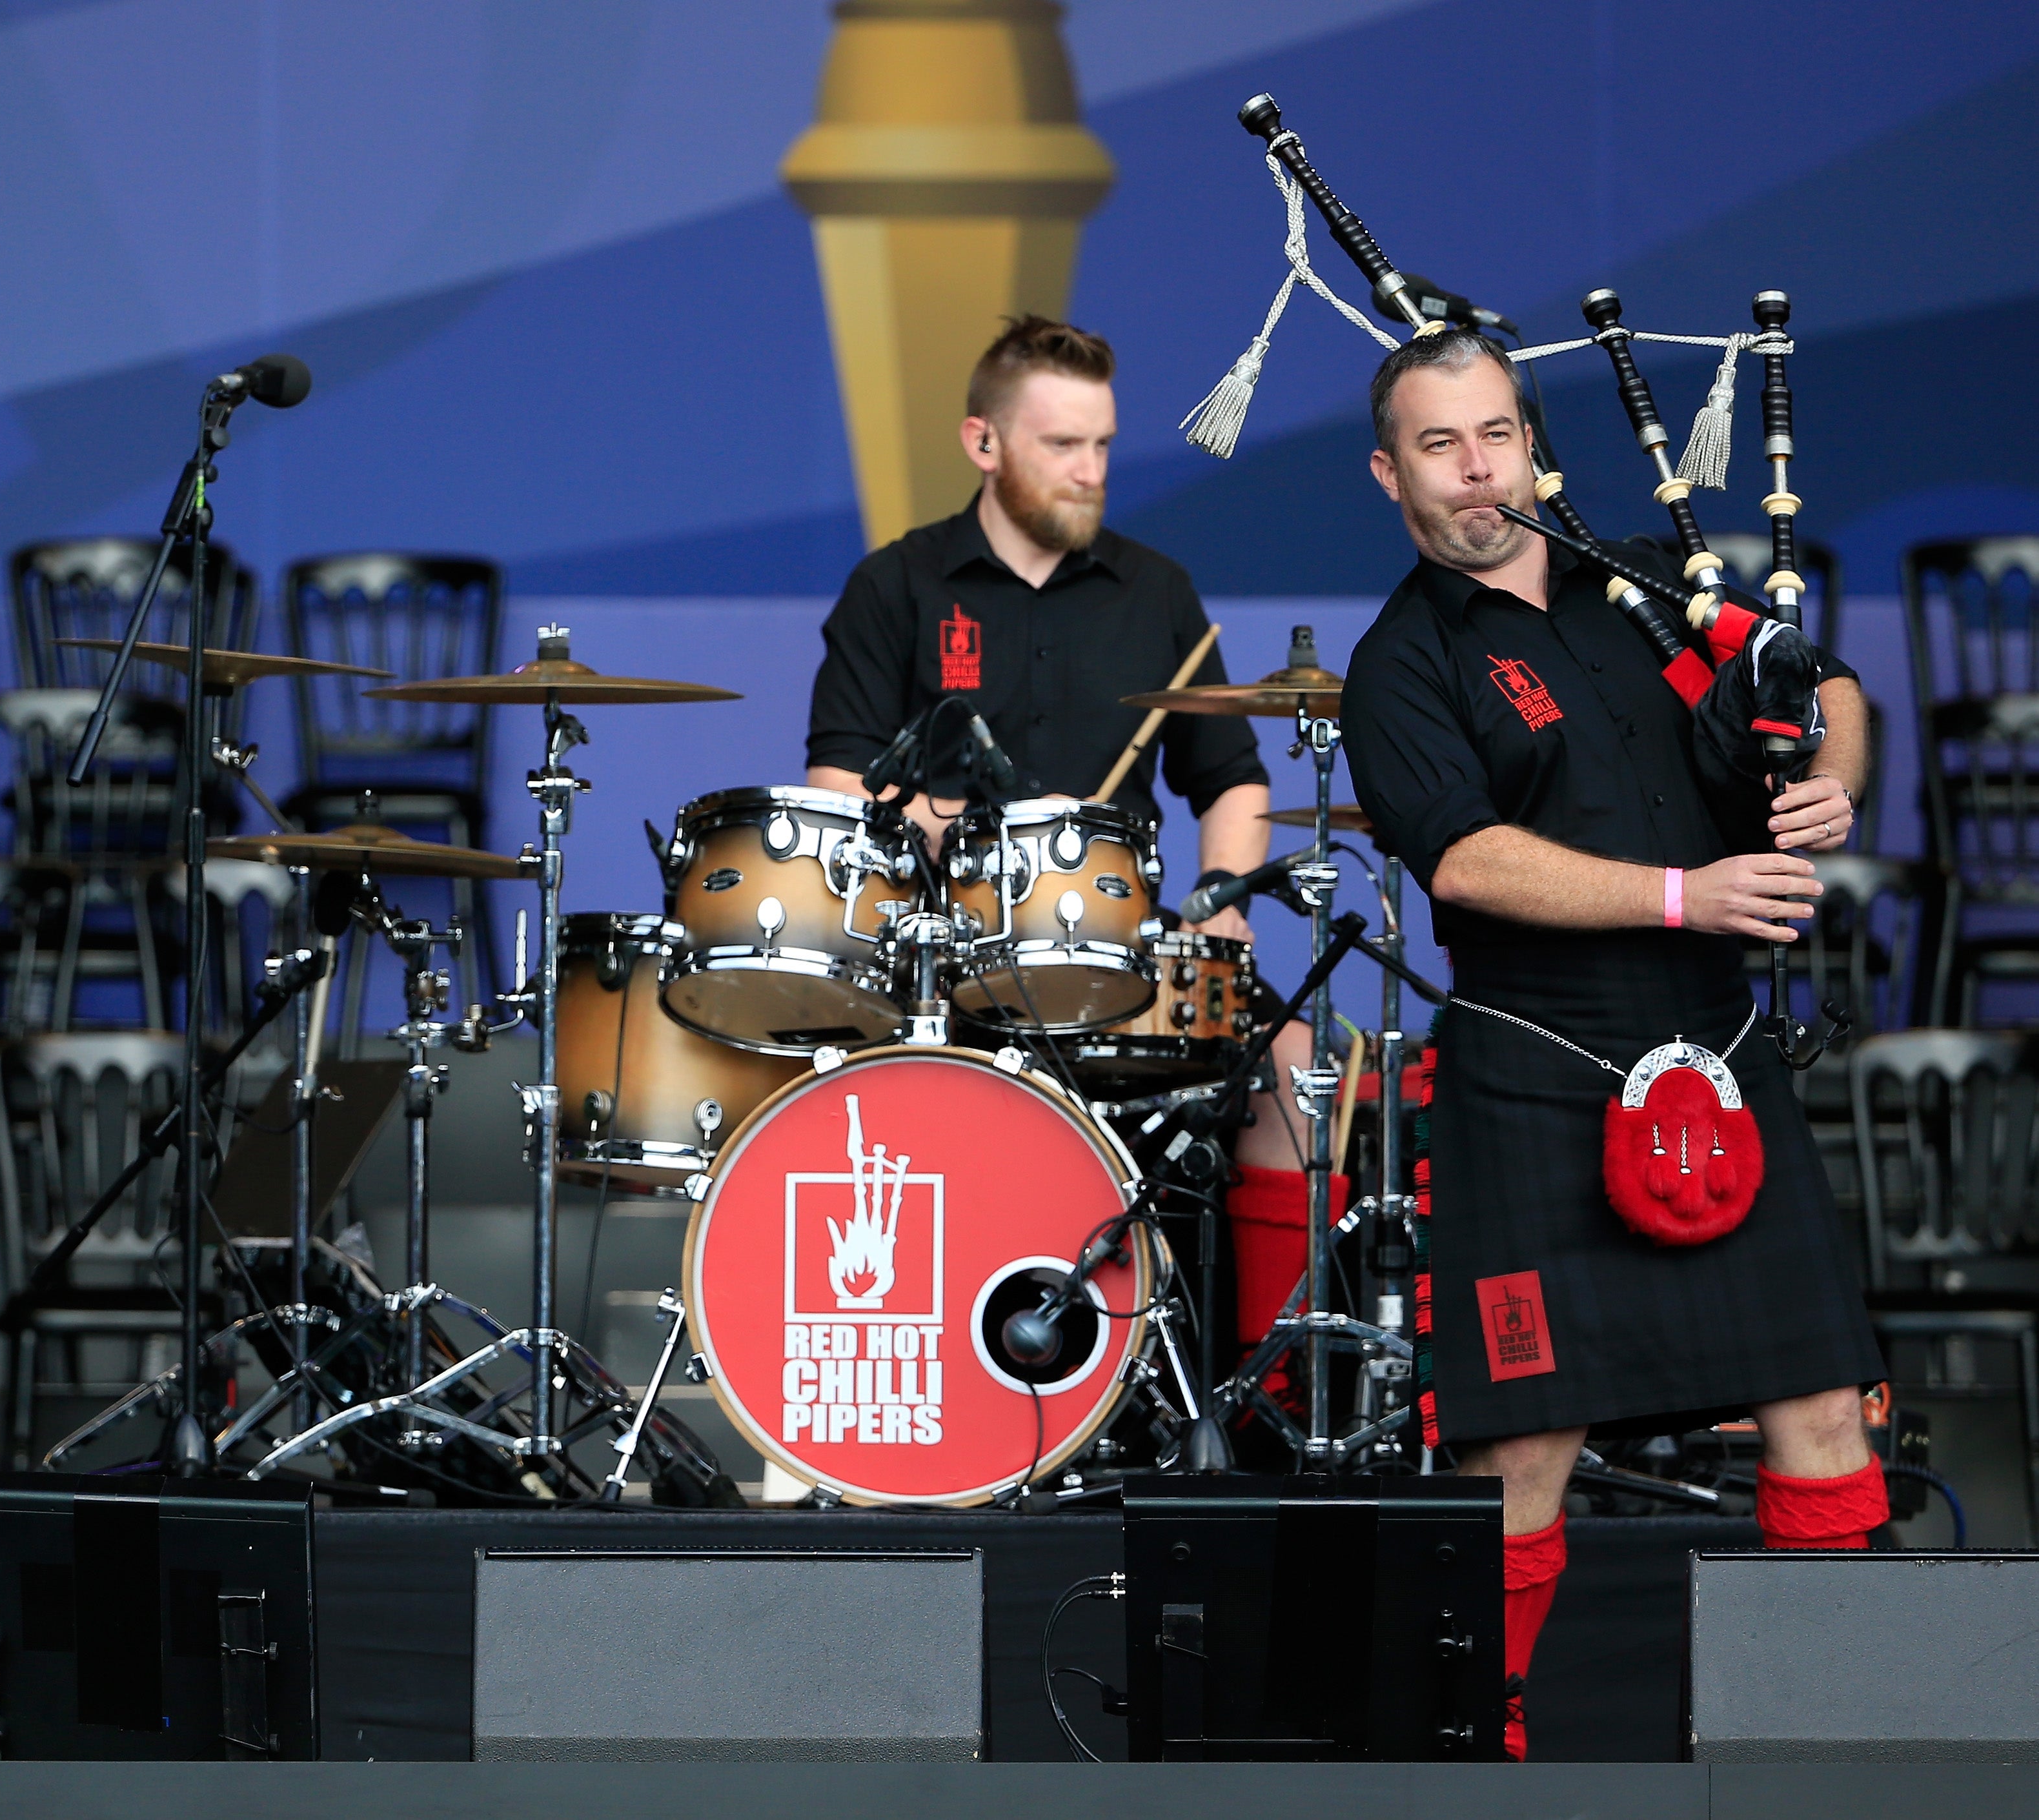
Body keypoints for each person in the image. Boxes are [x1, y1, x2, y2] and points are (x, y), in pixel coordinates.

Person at [1339, 329, 1885, 1759]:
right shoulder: (1399, 664)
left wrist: (1829, 782)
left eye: (1497, 437)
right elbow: (1461, 860)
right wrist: (1681, 894)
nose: (1477, 472)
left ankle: (1820, 1745)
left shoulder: (1651, 586)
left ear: (1533, 444)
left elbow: (1828, 691)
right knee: (1520, 1444)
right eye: (1441, 447)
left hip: (1716, 1047)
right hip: (1539, 1060)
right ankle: (1484, 1748)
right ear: (1389, 471)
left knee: (1824, 1405)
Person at [803, 313, 1329, 1406]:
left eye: (1100, 445)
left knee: (1297, 1077)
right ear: (982, 444)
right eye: (1060, 447)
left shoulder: (1158, 594)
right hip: (947, 961)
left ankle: (1262, 1407)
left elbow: (1230, 779)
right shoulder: (895, 589)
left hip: (1129, 955)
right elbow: (837, 787)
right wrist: (965, 837)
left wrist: (1222, 901)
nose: (1090, 472)